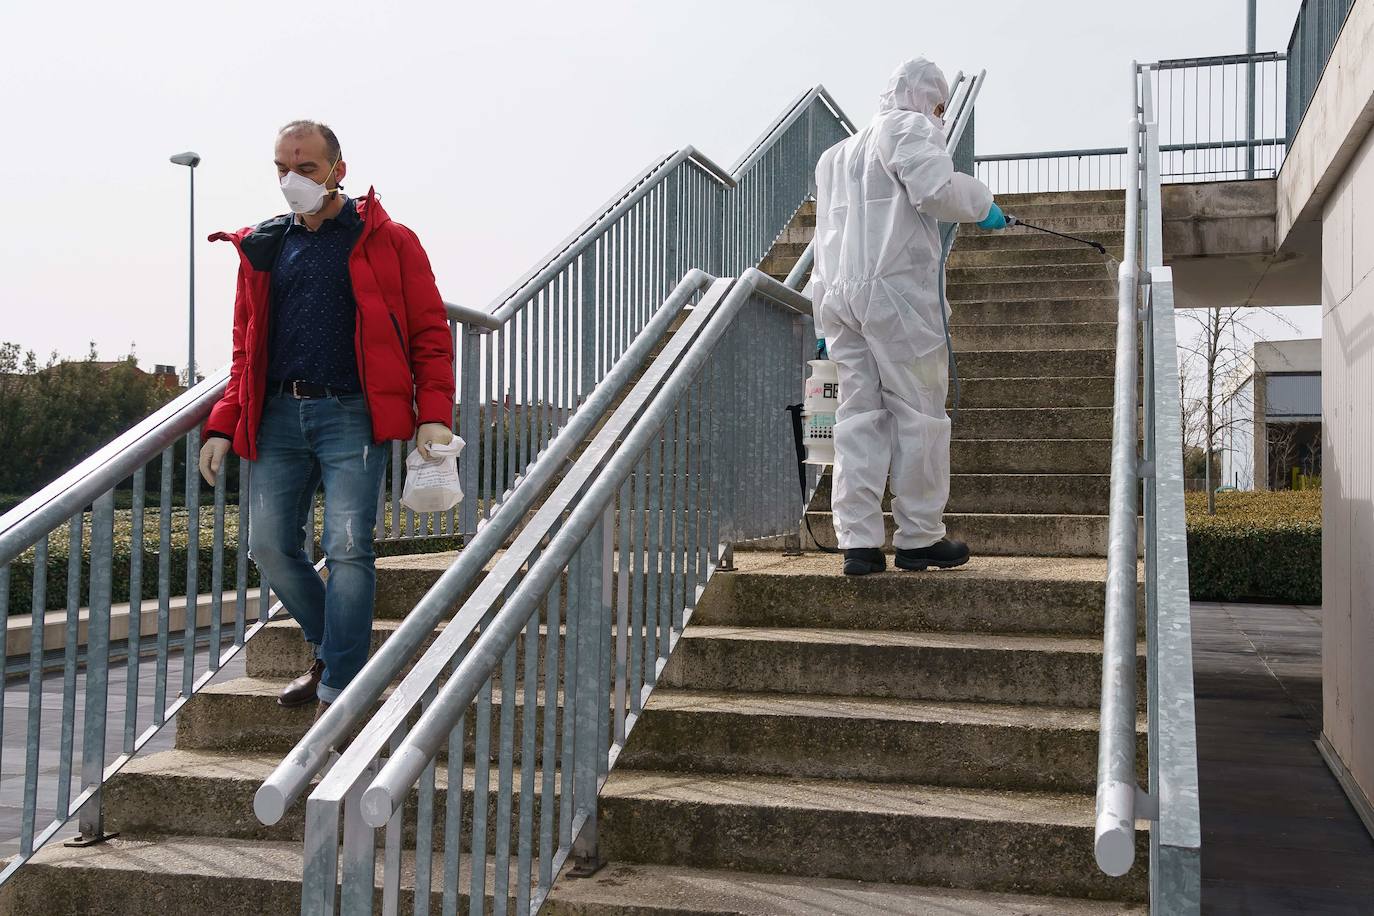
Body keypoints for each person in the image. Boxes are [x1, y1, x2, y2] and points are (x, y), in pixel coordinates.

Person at [197, 120, 456, 711]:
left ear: (338, 169)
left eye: (306, 168)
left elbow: (429, 334)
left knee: (346, 546)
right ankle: (331, 651)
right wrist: (222, 422)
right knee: (268, 545)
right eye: (282, 168)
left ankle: (341, 685)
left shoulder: (389, 240)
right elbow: (247, 349)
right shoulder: (264, 246)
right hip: (278, 416)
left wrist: (433, 413)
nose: (292, 180)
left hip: (352, 415)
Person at [812, 58, 1006, 577]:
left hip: (841, 304)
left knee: (856, 418)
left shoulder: (836, 155)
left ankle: (859, 544)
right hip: (898, 299)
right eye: (938, 105)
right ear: (921, 97)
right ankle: (919, 537)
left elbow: (823, 243)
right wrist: (984, 205)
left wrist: (820, 323)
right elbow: (936, 190)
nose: (940, 117)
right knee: (919, 413)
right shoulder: (908, 126)